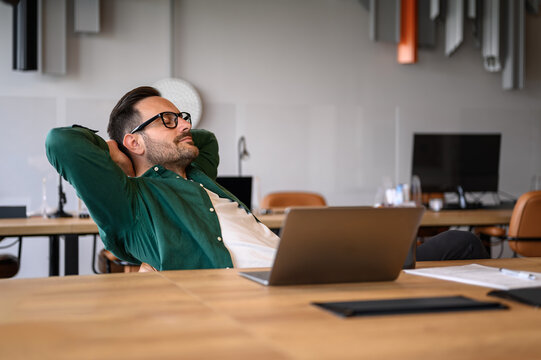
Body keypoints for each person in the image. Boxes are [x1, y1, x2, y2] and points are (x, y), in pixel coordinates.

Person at [45, 86, 487, 271]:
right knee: (463, 246)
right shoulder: (131, 204)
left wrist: (163, 132)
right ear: (133, 142)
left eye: (181, 115)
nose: (183, 123)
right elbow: (61, 143)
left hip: (303, 264)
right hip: (258, 292)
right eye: (166, 119)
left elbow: (208, 139)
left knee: (459, 245)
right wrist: (118, 152)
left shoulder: (201, 175)